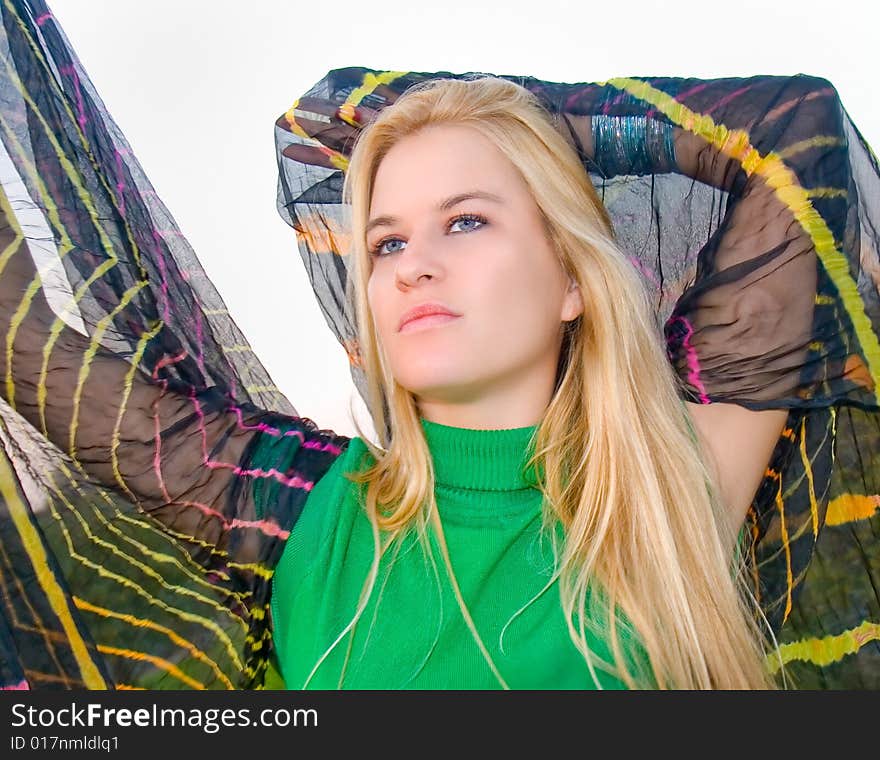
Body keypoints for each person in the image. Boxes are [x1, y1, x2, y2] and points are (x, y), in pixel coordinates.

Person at [1, 0, 878, 689]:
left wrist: (508, 131)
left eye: (465, 220)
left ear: (572, 278)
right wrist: (478, 151)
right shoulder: (307, 506)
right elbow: (25, 344)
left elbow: (793, 136)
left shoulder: (670, 488)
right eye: (386, 243)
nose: (414, 264)